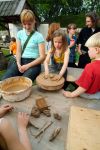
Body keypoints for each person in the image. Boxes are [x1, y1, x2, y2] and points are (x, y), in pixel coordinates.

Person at [2, 9, 45, 81]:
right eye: (24, 24)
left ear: (34, 21)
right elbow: (18, 51)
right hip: (21, 60)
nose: (27, 27)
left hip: (33, 64)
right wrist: (18, 64)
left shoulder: (39, 36)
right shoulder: (20, 34)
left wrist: (27, 66)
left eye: (29, 24)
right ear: (22, 23)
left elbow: (42, 57)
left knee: (23, 82)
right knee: (5, 79)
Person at [62, 32, 100, 100]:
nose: (88, 51)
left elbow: (83, 87)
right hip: (98, 94)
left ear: (97, 50)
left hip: (88, 94)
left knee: (68, 85)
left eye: (89, 49)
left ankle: (65, 92)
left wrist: (71, 94)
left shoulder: (90, 67)